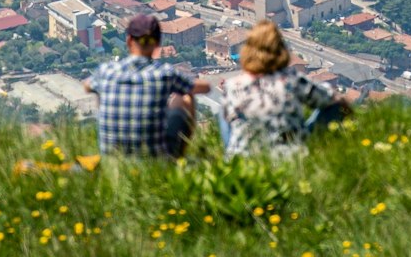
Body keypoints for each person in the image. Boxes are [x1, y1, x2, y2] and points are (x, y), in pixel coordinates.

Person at [217, 19, 350, 157]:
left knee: (223, 111)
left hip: (245, 163)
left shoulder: (232, 85)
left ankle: (233, 152)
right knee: (335, 106)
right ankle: (348, 135)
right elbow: (331, 99)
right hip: (289, 156)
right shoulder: (291, 80)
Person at [86, 14, 210, 157]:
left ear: (129, 41)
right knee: (186, 97)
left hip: (112, 163)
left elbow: (87, 86)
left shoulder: (106, 71)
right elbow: (205, 87)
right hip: (155, 161)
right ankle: (178, 157)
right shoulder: (165, 74)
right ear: (157, 44)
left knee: (100, 91)